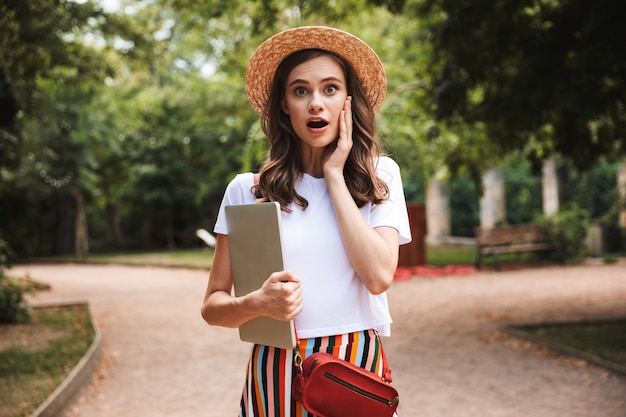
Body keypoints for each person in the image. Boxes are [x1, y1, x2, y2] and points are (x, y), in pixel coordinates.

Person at [201, 26, 411, 416]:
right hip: (276, 364)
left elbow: (379, 275)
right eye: (301, 91)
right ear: (284, 104)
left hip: (354, 366)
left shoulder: (380, 177)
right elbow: (213, 306)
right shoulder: (249, 190)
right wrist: (258, 303)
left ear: (348, 101)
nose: (316, 103)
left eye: (330, 89)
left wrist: (334, 175)